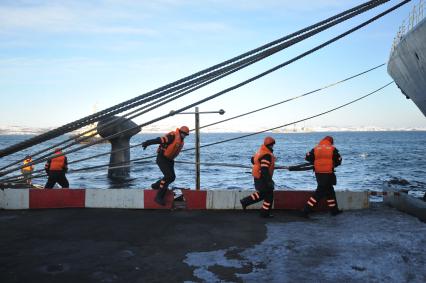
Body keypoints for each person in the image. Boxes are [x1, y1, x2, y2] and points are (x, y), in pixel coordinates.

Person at [141, 126, 190, 205]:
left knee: (172, 177)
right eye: (184, 134)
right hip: (162, 158)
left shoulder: (181, 140)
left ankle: (156, 185)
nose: (184, 136)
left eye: (186, 135)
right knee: (168, 176)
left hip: (169, 160)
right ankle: (158, 197)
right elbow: (159, 140)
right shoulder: (172, 136)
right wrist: (147, 143)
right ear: (180, 132)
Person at [300, 136, 342, 217]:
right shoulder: (332, 149)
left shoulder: (315, 148)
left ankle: (334, 211)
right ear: (331, 142)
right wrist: (334, 165)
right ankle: (305, 211)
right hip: (328, 173)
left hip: (318, 173)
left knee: (330, 192)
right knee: (319, 193)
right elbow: (339, 160)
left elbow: (307, 157)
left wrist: (316, 162)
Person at [240, 136, 276, 218]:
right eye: (272, 145)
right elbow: (264, 169)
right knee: (268, 195)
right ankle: (264, 213)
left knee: (263, 194)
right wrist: (269, 181)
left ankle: (245, 202)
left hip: (257, 176)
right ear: (269, 145)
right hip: (262, 177)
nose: (273, 146)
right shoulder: (266, 155)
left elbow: (253, 160)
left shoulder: (260, 151)